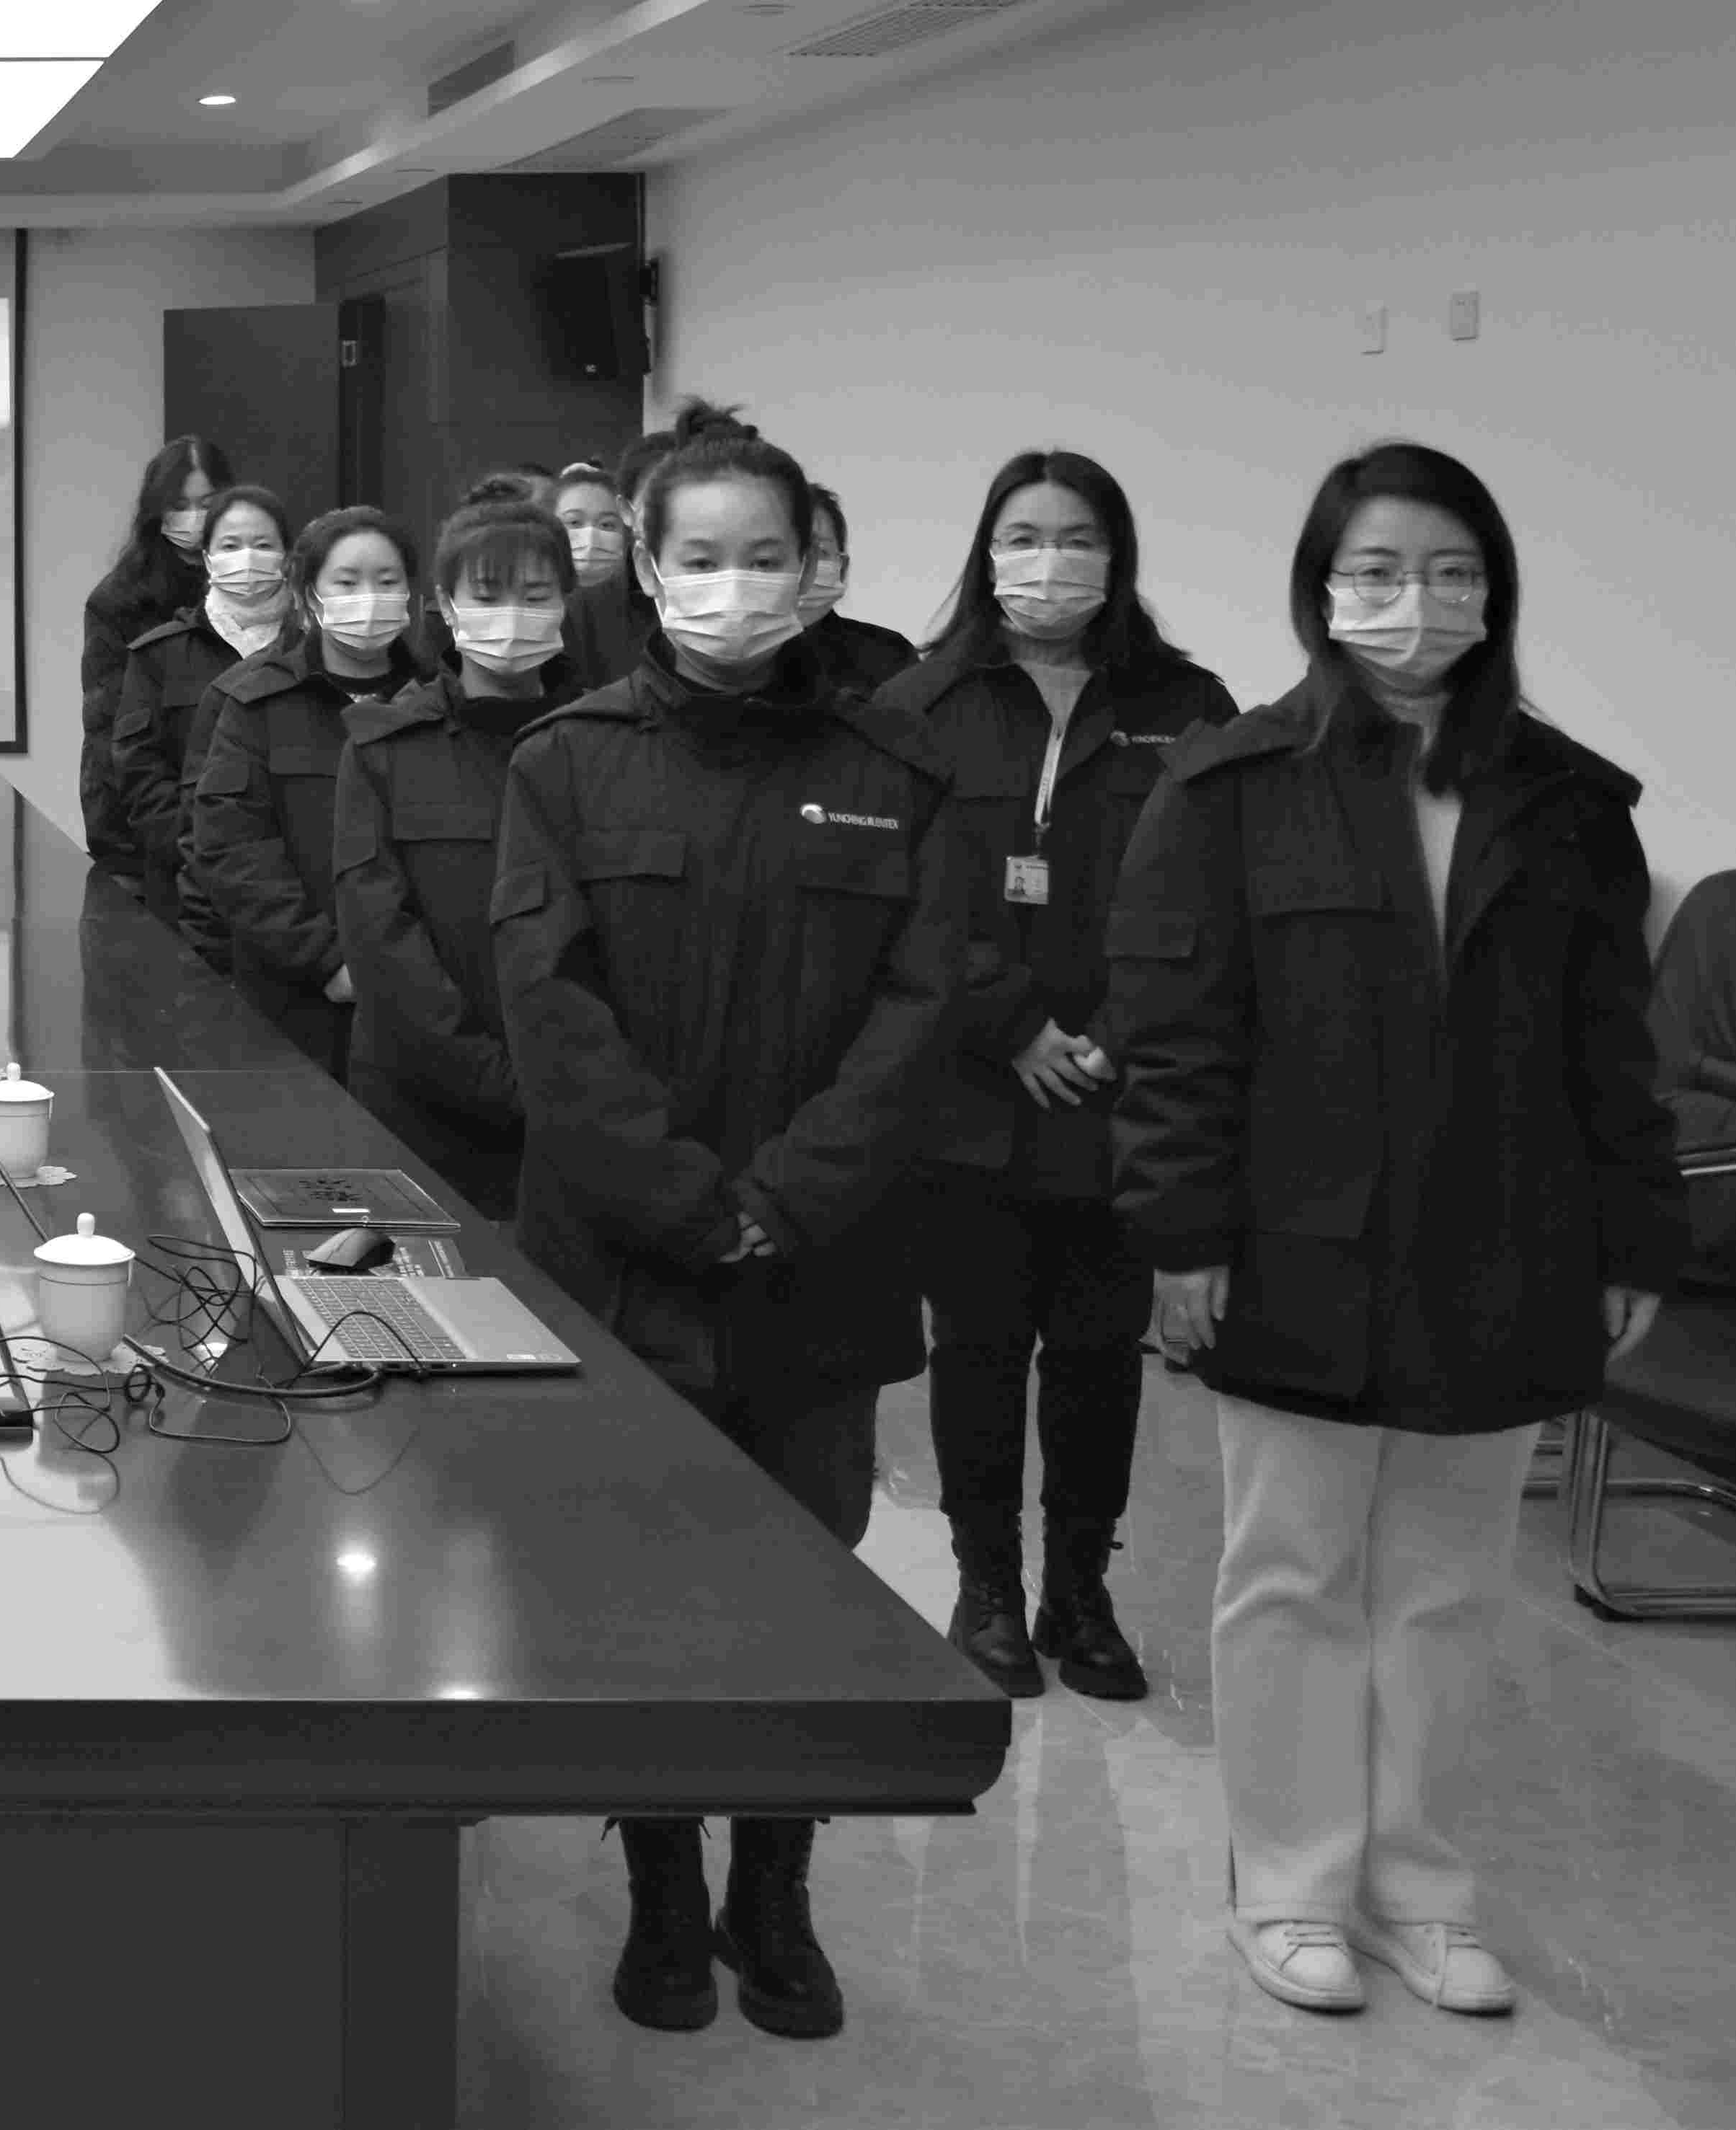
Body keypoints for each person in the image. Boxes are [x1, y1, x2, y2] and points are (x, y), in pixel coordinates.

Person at [1106, 441, 1683, 2023]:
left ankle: (1421, 1886)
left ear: (1494, 593)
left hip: (1506, 1238)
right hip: (1295, 1239)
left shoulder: (1568, 802)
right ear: (1321, 590)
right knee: (1291, 1569)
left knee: (1445, 1586)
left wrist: (1636, 1232)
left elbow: (1613, 1042)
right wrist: (1180, 1232)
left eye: (1448, 571)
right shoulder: (1231, 785)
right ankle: (1291, 1882)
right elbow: (1175, 1031)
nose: (1412, 602)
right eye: (1374, 572)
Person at [492, 399, 962, 2046]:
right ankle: (663, 1887)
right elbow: (551, 1015)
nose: (734, 586)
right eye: (701, 556)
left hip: (821, 1265)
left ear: (816, 567)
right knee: (641, 1588)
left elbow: (919, 1017)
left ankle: (778, 1887)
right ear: (646, 565)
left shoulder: (897, 776)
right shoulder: (565, 764)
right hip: (624, 1260)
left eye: (765, 555)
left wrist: (783, 1204)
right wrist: (693, 1206)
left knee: (805, 1588)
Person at [875, 449, 1236, 1702]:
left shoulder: (1186, 703)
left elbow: (1214, 891)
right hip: (971, 1089)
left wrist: (1119, 1032)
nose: (1051, 561)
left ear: (1117, 556)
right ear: (987, 553)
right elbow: (906, 894)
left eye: (1077, 538)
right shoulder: (922, 702)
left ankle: (1081, 1592)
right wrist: (1013, 1023)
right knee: (978, 1347)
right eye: (1025, 537)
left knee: (1097, 1356)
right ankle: (986, 1585)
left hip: (1120, 1094)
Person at [326, 495, 585, 1218]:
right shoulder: (384, 746)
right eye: (488, 596)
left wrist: (573, 1092)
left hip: (584, 1117)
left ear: (566, 603)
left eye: (535, 595)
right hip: (419, 1108)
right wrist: (503, 1084)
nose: (512, 617)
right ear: (444, 604)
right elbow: (381, 940)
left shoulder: (608, 740)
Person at [187, 504, 429, 1076]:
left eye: (387, 581)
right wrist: (324, 961)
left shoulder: (435, 702)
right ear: (308, 595)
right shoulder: (255, 703)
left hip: (426, 1009)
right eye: (347, 583)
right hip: (290, 1003)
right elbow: (232, 848)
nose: (368, 599)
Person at [108, 484, 292, 968]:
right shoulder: (160, 654)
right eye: (231, 545)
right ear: (208, 558)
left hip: (294, 898)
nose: (247, 558)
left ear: (288, 558)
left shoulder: (310, 653)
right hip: (184, 894)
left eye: (264, 544)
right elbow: (140, 774)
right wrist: (203, 853)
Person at [79, 436, 234, 875]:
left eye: (207, 504)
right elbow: (109, 734)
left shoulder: (252, 588)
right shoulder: (119, 601)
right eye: (179, 505)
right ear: (156, 510)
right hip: (139, 836)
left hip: (236, 827)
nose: (194, 518)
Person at [795, 485, 918, 695]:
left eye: (819, 551)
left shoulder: (890, 656)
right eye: (781, 551)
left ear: (841, 568)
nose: (804, 565)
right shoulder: (734, 661)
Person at [550, 459, 652, 688]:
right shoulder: (541, 615)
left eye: (607, 525)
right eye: (574, 522)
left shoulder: (650, 610)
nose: (591, 536)